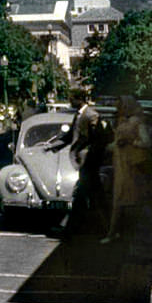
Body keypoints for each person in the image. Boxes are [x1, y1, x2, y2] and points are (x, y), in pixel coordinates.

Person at [47, 89, 105, 238]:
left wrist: (91, 155)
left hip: (88, 161)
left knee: (83, 196)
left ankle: (71, 230)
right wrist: (53, 146)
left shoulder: (91, 115)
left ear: (80, 99)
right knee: (92, 196)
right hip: (83, 162)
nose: (69, 102)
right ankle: (100, 228)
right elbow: (70, 136)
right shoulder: (79, 115)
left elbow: (98, 139)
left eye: (71, 98)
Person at [102, 95, 152, 244]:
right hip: (121, 164)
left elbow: (146, 142)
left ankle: (113, 233)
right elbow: (116, 143)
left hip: (131, 165)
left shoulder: (137, 122)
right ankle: (115, 232)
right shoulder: (122, 121)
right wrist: (106, 148)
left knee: (129, 198)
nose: (118, 109)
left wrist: (131, 142)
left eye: (121, 106)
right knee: (123, 199)